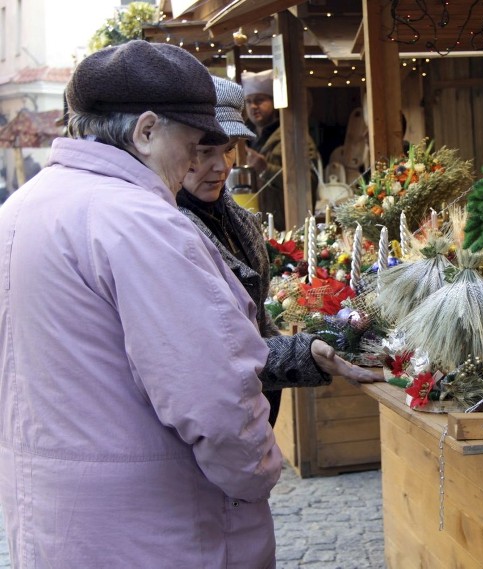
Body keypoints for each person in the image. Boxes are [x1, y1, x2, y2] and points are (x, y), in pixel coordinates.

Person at [0, 40, 370, 568]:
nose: (199, 162)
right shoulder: (142, 221)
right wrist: (257, 474)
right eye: (194, 142)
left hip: (59, 517)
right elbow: (213, 394)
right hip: (158, 526)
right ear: (146, 131)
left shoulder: (22, 208)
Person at [177, 76, 378, 426]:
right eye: (204, 151)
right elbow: (213, 352)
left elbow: (256, 323)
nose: (222, 165)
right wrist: (306, 353)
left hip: (255, 412)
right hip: (213, 423)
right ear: (175, 149)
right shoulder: (170, 232)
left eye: (228, 149)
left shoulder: (238, 220)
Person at [242, 70, 318, 227]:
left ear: (274, 102)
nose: (253, 106)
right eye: (248, 101)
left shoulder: (294, 138)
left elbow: (309, 183)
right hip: (252, 224)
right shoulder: (241, 139)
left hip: (286, 225)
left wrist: (265, 168)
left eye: (260, 100)